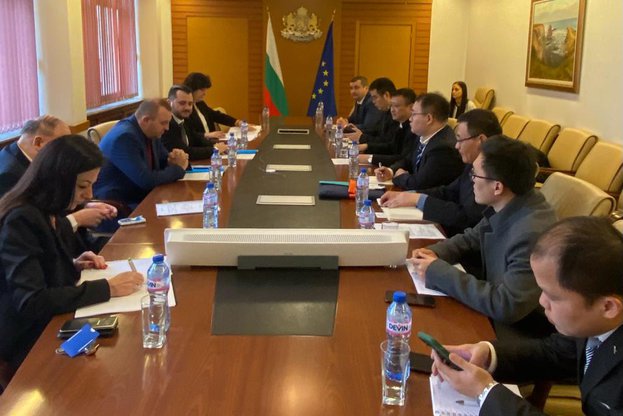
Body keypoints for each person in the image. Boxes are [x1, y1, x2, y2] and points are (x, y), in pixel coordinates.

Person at [431, 217, 623, 415]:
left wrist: (485, 392)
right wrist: (489, 355)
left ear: (608, 307)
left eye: (553, 297)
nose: (542, 301)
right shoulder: (595, 322)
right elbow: (555, 354)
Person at [0, 135, 144, 384]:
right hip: (26, 334)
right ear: (57, 179)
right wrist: (108, 288)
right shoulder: (21, 218)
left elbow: (41, 264)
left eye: (92, 185)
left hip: (49, 319)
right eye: (82, 186)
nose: (89, 195)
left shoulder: (49, 209)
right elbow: (31, 301)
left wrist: (72, 263)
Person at [411, 136, 557, 340]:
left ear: (497, 187)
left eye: (475, 175)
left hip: (517, 333)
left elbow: (507, 305)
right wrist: (433, 252)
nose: (471, 180)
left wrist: (438, 272)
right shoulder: (514, 201)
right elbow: (471, 238)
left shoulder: (530, 233)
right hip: (491, 304)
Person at [380, 109, 502, 236]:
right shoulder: (472, 163)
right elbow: (449, 191)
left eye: (460, 140)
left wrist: (419, 200)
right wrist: (409, 195)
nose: (457, 146)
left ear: (481, 140)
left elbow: (467, 217)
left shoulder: (494, 173)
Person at [0, 116, 117, 236]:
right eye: (62, 146)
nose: (70, 154)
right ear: (38, 143)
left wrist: (84, 205)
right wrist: (76, 219)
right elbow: (29, 229)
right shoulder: (8, 175)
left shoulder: (40, 162)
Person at [94, 99, 189, 210]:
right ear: (145, 120)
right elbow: (146, 180)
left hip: (143, 196)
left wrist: (177, 158)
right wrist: (178, 169)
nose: (167, 128)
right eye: (163, 123)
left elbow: (165, 159)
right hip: (119, 205)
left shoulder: (151, 131)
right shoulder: (125, 138)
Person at [375, 93, 464, 190]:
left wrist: (400, 177)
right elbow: (408, 160)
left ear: (428, 118)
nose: (410, 119)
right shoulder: (423, 135)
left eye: (414, 114)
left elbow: (419, 184)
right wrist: (390, 171)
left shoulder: (443, 149)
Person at [161, 84, 227, 161]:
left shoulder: (185, 119)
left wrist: (217, 145)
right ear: (169, 103)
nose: (187, 108)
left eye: (190, 104)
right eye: (182, 103)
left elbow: (196, 138)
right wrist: (214, 149)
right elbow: (185, 152)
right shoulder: (167, 124)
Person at [357, 88, 416, 167]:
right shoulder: (400, 124)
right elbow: (391, 147)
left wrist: (370, 158)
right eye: (391, 106)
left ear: (411, 107)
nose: (392, 110)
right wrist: (367, 146)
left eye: (396, 106)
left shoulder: (414, 129)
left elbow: (403, 158)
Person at [183, 72, 249, 140]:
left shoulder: (200, 104)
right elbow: (189, 134)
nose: (205, 93)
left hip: (212, 142)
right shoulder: (185, 110)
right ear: (192, 89)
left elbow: (216, 115)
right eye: (202, 90)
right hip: (201, 144)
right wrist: (207, 135)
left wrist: (237, 122)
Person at [343, 77, 396, 145]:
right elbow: (376, 131)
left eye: (375, 97)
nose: (373, 101)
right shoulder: (386, 111)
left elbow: (387, 143)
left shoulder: (395, 115)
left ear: (386, 95)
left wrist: (363, 139)